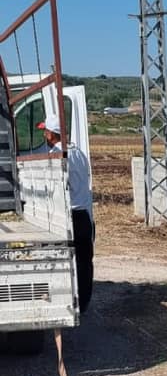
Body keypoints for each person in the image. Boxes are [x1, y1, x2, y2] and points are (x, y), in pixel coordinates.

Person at [36, 112, 94, 312]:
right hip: (84, 216)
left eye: (46, 132)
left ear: (52, 134)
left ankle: (66, 301)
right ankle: (83, 304)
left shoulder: (56, 156)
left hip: (67, 217)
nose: (45, 136)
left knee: (61, 261)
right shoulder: (78, 152)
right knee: (84, 263)